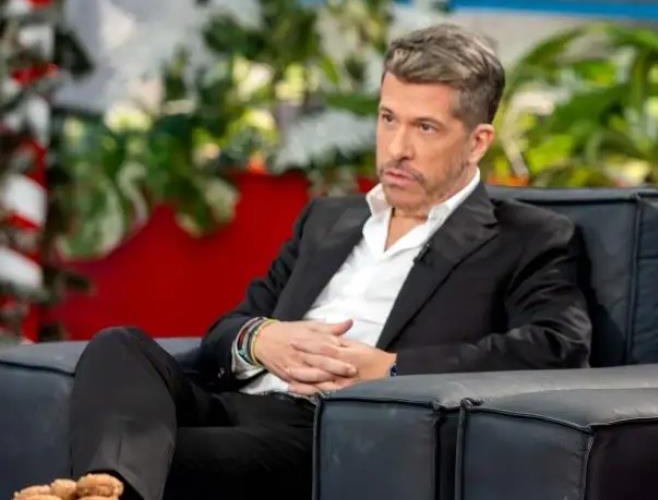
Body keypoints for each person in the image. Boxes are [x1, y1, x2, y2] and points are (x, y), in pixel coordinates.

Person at [15, 24, 592, 500]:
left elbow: (555, 347)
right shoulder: (329, 221)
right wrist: (261, 340)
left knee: (149, 456)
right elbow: (227, 330)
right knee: (117, 345)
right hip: (235, 402)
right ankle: (108, 489)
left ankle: (109, 485)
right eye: (388, 118)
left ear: (478, 141)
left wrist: (389, 369)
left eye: (425, 127)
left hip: (328, 429)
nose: (397, 148)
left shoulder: (528, 238)